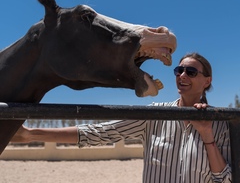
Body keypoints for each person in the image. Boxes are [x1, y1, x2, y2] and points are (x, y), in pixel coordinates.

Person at [11, 52, 231, 183]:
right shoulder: (155, 115)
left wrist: (207, 135)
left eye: (190, 72)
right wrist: (31, 134)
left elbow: (225, 179)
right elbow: (101, 132)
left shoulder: (221, 124)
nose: (182, 75)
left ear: (207, 81)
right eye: (179, 70)